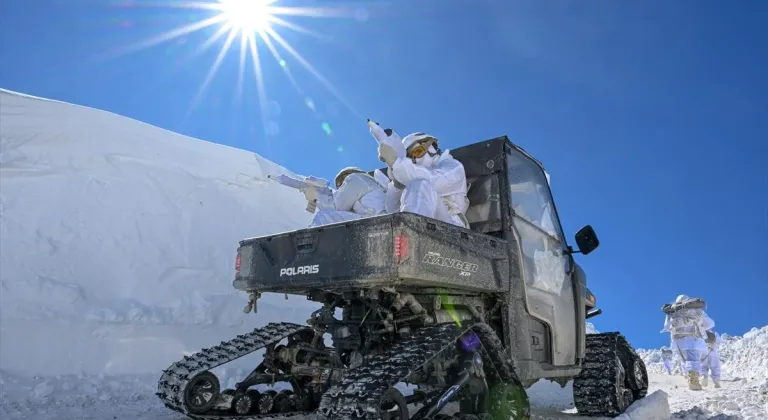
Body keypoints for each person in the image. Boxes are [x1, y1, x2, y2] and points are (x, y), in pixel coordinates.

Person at [377, 132, 469, 228]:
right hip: (427, 229)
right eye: (411, 159)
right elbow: (392, 210)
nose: (415, 161)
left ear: (431, 148)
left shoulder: (453, 167)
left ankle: (412, 231)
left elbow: (432, 180)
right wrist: (397, 185)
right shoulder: (411, 178)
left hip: (452, 227)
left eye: (418, 152)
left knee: (420, 184)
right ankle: (410, 233)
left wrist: (396, 164)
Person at [661, 294, 715, 390]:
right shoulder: (697, 310)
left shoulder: (672, 312)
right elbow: (710, 323)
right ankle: (693, 381)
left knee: (683, 360)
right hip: (694, 339)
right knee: (694, 359)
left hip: (677, 341)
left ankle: (687, 377)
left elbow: (667, 326)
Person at [304, 166, 388, 227]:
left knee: (323, 217)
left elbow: (335, 207)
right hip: (377, 221)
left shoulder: (355, 178)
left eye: (341, 184)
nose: (340, 187)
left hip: (372, 222)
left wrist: (316, 195)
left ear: (346, 175)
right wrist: (323, 192)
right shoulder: (369, 183)